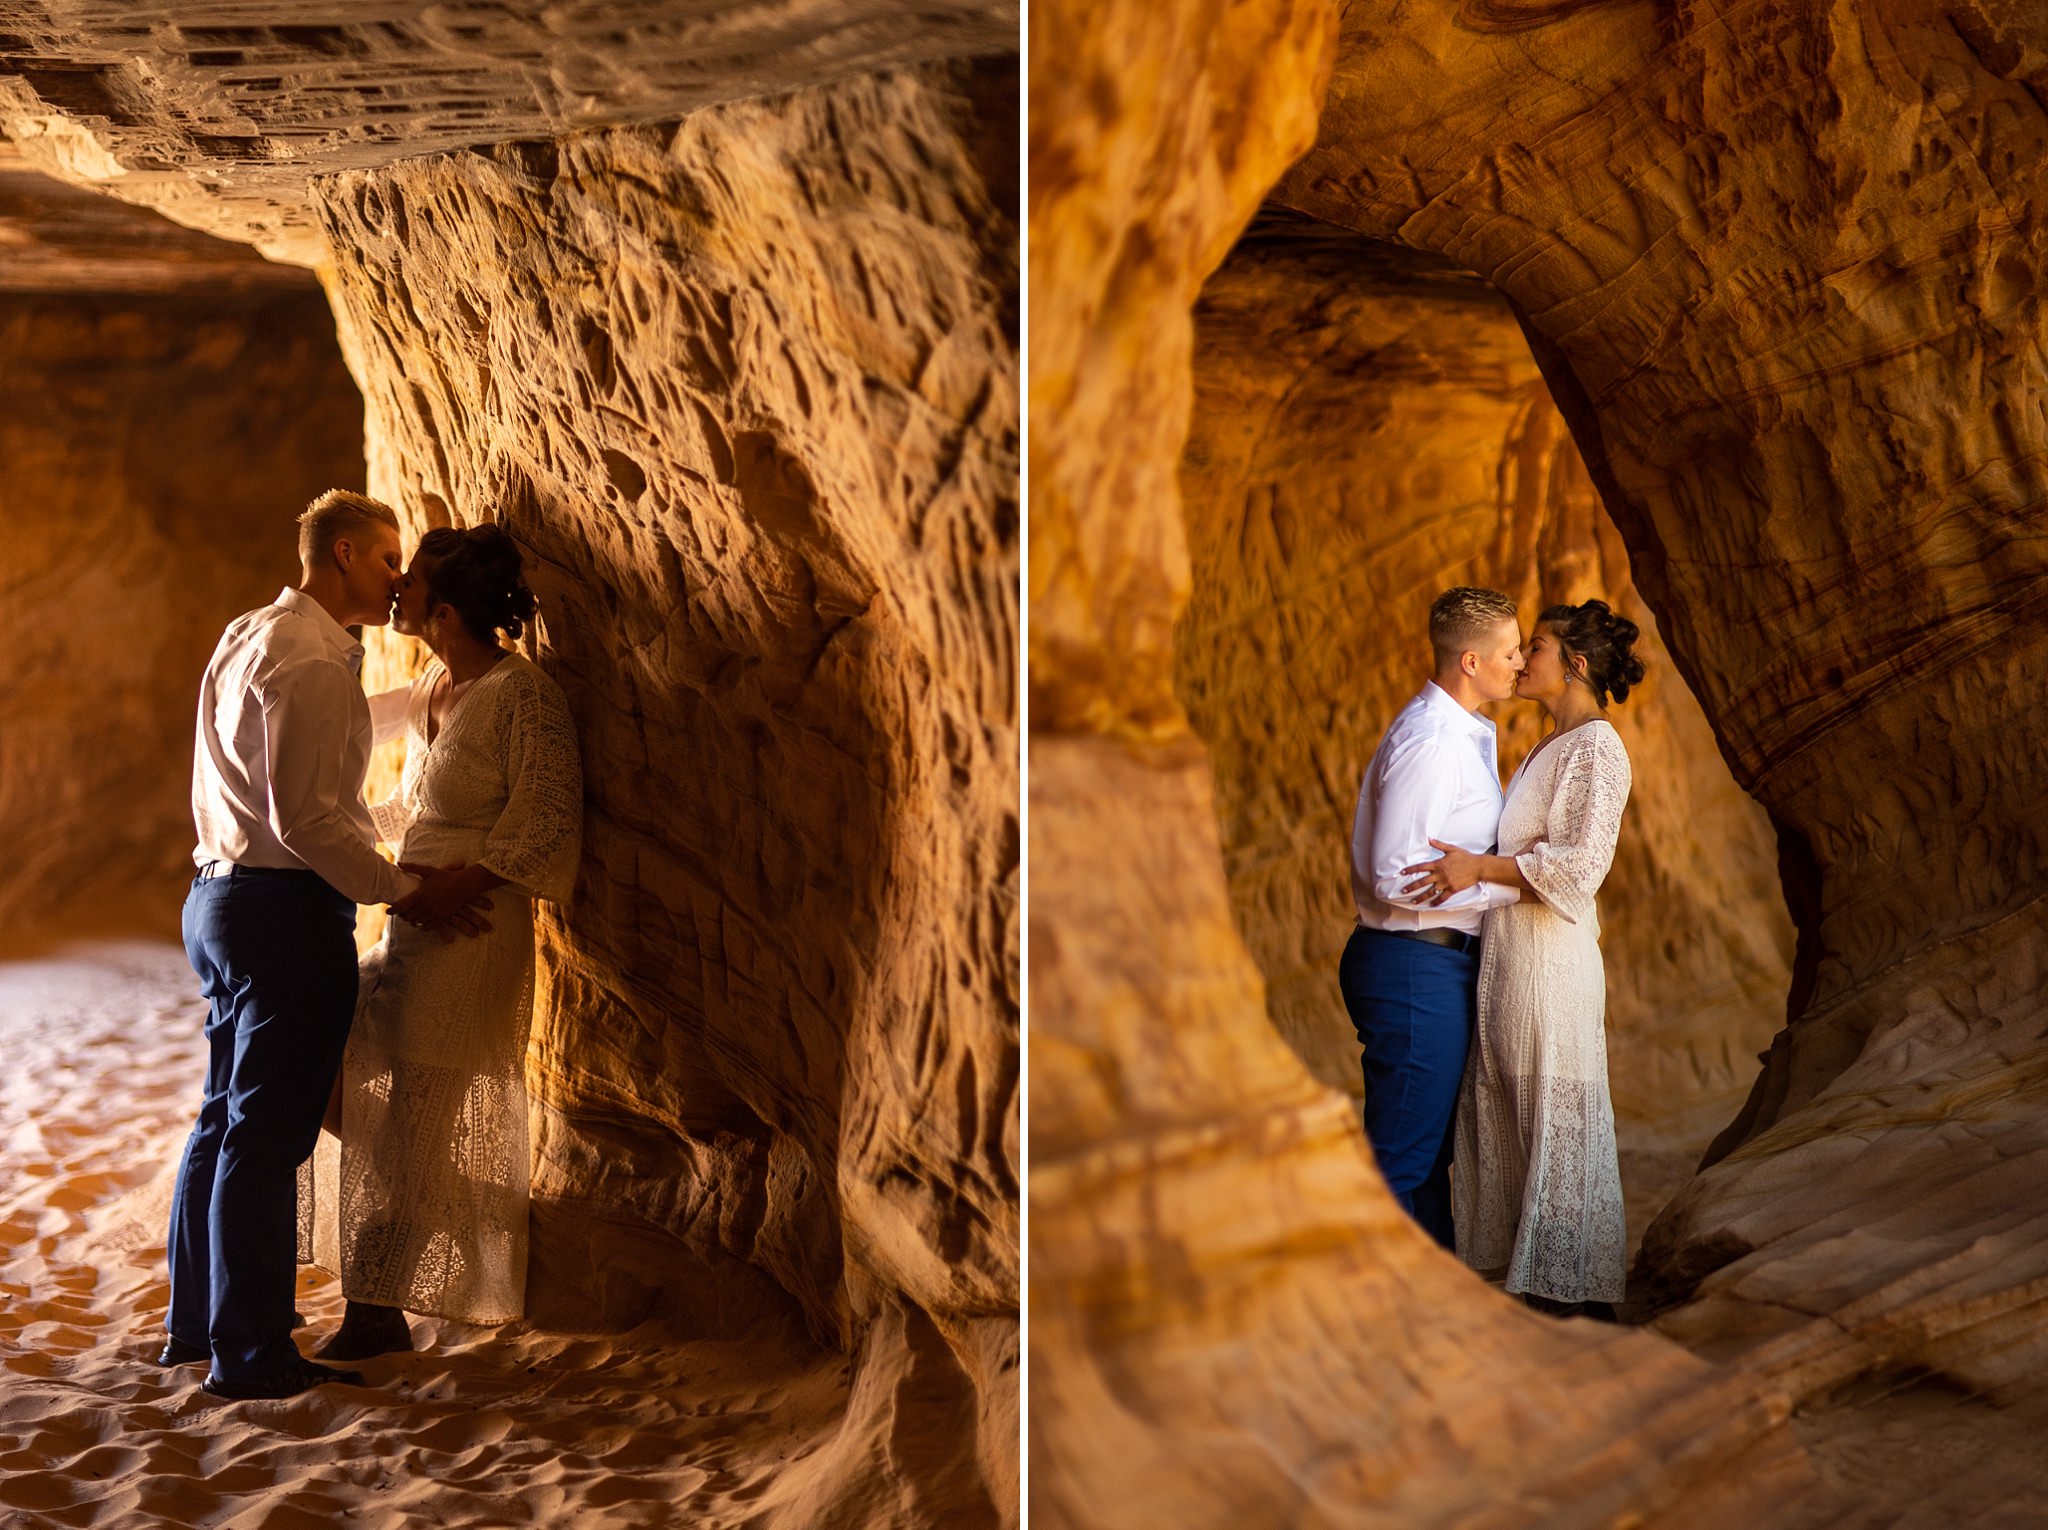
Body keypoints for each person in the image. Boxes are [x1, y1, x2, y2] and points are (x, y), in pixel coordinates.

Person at [165, 490, 487, 1400]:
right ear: (345, 554)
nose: (398, 581)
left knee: (223, 1121)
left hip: (217, 902)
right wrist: (406, 891)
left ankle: (196, 1328)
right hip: (282, 915)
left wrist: (419, 698)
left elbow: (321, 731)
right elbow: (306, 817)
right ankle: (253, 1353)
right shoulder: (309, 662)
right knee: (266, 1141)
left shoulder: (253, 635)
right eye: (389, 560)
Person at [299, 522, 583, 1360]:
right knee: (320, 1065)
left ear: (446, 608)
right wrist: (339, 846)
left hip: (471, 938)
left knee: (419, 1119)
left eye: (410, 579)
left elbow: (548, 820)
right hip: (412, 927)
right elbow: (411, 813)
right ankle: (458, 1200)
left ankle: (375, 1317)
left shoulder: (523, 698)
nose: (397, 588)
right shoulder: (434, 684)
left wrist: (462, 883)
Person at [1403, 599, 1642, 1314]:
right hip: (1510, 957)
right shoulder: (1546, 746)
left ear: (1571, 663)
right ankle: (1521, 1274)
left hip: (1553, 961)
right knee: (1507, 1101)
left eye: (1534, 647)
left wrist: (1479, 869)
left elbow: (1578, 867)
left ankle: (1568, 1290)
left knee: (1552, 1103)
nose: (1521, 659)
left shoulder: (1599, 747)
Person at [1339, 587, 1525, 1248]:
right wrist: (1506, 889)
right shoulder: (1430, 741)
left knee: (1425, 1164)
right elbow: (1393, 872)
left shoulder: (1462, 734)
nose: (1521, 662)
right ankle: (1378, 1325)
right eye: (1510, 651)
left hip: (1433, 963)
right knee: (1402, 1164)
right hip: (1412, 964)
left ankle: (1436, 1318)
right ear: (1470, 661)